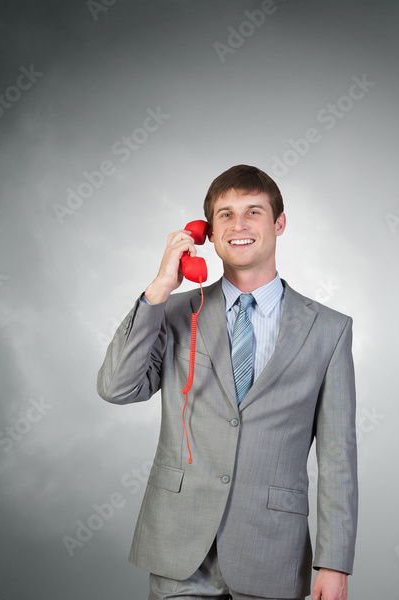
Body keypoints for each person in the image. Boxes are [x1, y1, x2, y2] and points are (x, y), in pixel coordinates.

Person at [97, 165, 358, 600]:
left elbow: (338, 456)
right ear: (208, 232)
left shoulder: (330, 329)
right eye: (225, 215)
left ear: (279, 223)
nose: (239, 225)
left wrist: (334, 561)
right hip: (179, 546)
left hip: (271, 550)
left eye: (253, 212)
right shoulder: (174, 312)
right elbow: (116, 387)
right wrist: (160, 287)